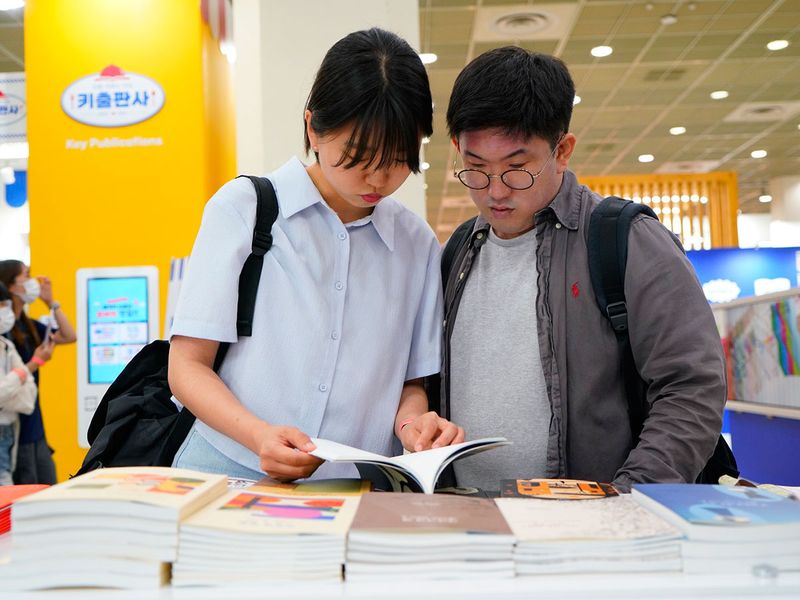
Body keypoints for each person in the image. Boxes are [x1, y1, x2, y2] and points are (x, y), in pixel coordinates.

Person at [168, 28, 464, 483]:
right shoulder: (244, 209)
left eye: (397, 160)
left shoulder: (416, 243)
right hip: (227, 467)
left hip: (355, 483)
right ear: (313, 128)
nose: (377, 179)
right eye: (358, 156)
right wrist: (258, 435)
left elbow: (410, 384)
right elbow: (187, 367)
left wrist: (413, 427)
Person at [437, 47, 726, 492]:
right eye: (475, 169)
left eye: (517, 169)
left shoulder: (626, 239)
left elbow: (691, 387)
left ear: (563, 150)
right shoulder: (459, 250)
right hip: (472, 521)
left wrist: (631, 497)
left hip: (593, 529)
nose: (495, 191)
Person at [0, 260, 75, 485]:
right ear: (11, 286)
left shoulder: (28, 326)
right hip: (12, 421)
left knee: (46, 484)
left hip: (34, 421)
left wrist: (51, 302)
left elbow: (69, 335)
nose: (33, 280)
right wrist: (35, 362)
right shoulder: (5, 334)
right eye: (26, 275)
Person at [0, 283, 42, 485]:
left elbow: (27, 399)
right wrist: (20, 375)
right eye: (1, 304)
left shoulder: (6, 346)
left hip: (9, 428)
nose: (5, 310)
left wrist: (18, 376)